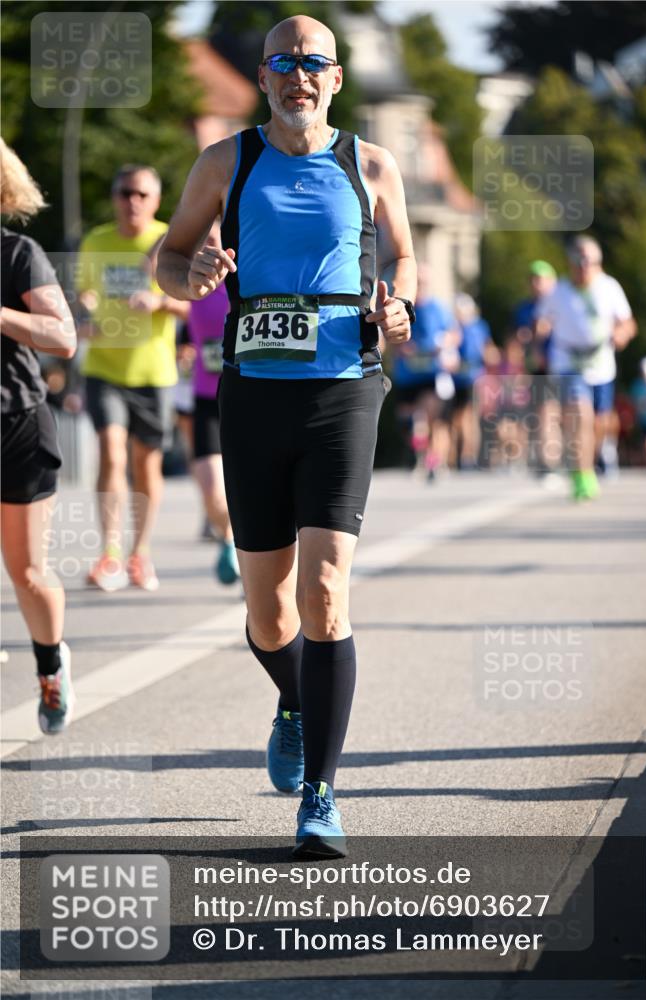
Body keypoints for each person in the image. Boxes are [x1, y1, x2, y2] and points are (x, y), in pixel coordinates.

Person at [157, 14, 416, 858]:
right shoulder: (224, 162)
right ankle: (295, 700)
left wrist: (398, 301)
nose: (298, 77)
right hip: (255, 395)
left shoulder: (370, 165)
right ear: (263, 79)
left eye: (313, 64)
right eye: (282, 64)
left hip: (344, 389)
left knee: (326, 592)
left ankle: (321, 795)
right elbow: (170, 257)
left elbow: (404, 258)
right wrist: (189, 271)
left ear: (335, 79)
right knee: (268, 616)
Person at [77, 165, 189, 592]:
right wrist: (84, 311)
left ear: (156, 201)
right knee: (110, 452)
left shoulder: (171, 240)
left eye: (142, 194)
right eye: (125, 193)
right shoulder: (96, 241)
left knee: (146, 465)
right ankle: (108, 555)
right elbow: (84, 294)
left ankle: (139, 555)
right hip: (104, 366)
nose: (133, 202)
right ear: (114, 197)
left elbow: (194, 305)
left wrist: (160, 304)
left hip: (154, 372)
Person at [0, 138, 77, 733]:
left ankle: (50, 666)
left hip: (17, 423)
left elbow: (61, 336)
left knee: (27, 572)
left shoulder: (18, 254)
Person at [536, 236, 635, 500]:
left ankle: (588, 463)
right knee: (581, 414)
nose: (583, 267)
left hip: (601, 363)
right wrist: (540, 333)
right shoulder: (559, 290)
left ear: (598, 263)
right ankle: (582, 475)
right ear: (570, 263)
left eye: (589, 261)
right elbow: (542, 319)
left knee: (599, 425)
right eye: (578, 261)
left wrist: (621, 334)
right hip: (568, 362)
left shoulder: (609, 287)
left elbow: (627, 322)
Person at [188, 275, 240, 583]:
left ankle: (251, 553)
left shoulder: (246, 276)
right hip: (207, 399)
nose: (208, 245)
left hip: (248, 394)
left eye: (214, 238)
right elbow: (151, 264)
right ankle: (230, 538)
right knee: (212, 491)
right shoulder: (191, 279)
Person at [390, 263, 458, 481]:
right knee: (408, 421)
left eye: (424, 281)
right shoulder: (403, 306)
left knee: (429, 418)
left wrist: (444, 344)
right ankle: (416, 453)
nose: (420, 285)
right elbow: (390, 334)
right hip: (407, 374)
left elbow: (454, 333)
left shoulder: (438, 308)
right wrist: (400, 346)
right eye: (417, 281)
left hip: (431, 373)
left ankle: (432, 461)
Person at [512, 260, 561, 479]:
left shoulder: (562, 303)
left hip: (563, 366)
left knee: (556, 415)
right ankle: (547, 463)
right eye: (533, 280)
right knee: (542, 416)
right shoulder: (525, 308)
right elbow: (518, 340)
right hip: (538, 369)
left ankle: (558, 461)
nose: (536, 284)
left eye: (541, 279)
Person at [452, 293, 491, 469]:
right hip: (458, 379)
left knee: (469, 417)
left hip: (472, 377)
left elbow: (484, 352)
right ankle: (463, 455)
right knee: (460, 418)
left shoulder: (475, 328)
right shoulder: (459, 328)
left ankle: (469, 455)